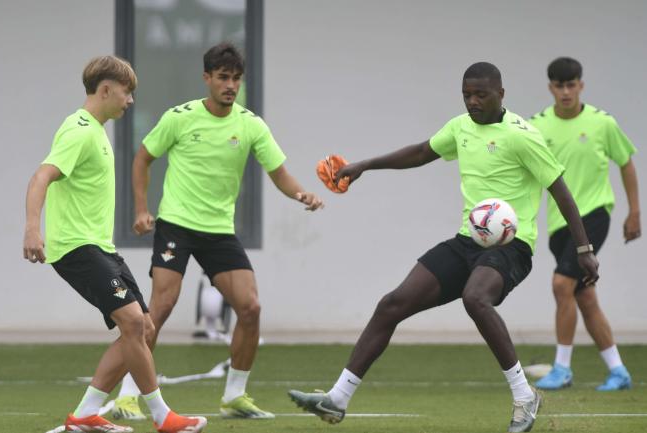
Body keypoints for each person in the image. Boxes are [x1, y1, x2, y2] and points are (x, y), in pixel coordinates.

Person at [288, 62, 599, 433]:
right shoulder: (460, 127)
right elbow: (422, 151)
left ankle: (524, 396)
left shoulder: (523, 136)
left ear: (501, 94)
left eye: (480, 94)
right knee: (392, 304)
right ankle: (337, 399)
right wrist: (365, 166)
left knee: (475, 298)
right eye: (467, 94)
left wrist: (584, 249)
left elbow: (560, 190)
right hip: (468, 242)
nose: (472, 101)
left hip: (512, 247)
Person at [111, 42, 324, 420]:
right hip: (176, 223)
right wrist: (142, 209)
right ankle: (128, 394)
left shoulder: (250, 125)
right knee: (160, 307)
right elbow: (143, 158)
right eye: (223, 77)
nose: (230, 85)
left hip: (219, 232)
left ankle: (234, 396)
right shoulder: (180, 117)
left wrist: (301, 193)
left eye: (236, 79)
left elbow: (279, 173)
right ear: (207, 78)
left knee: (250, 307)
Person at [23, 56, 206, 433]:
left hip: (100, 248)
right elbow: (42, 176)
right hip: (76, 248)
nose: (131, 101)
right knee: (134, 321)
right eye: (127, 92)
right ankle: (162, 416)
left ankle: (86, 413)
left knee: (146, 327)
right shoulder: (78, 130)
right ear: (106, 89)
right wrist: (32, 228)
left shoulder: (96, 131)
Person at [529, 57, 640, 391]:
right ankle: (618, 371)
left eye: (571, 84)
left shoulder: (602, 123)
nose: (566, 91)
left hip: (593, 215)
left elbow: (626, 163)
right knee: (585, 297)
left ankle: (561, 368)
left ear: (581, 85)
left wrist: (634, 211)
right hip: (558, 226)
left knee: (562, 284)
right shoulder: (537, 126)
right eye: (559, 85)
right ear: (550, 88)